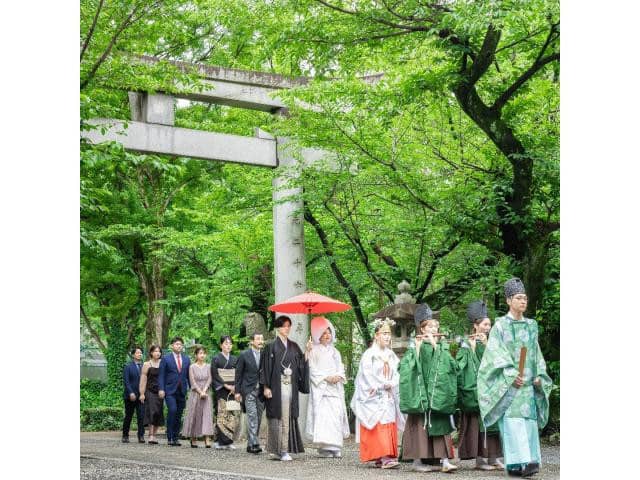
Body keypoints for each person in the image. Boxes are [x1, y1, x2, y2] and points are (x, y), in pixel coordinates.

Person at [477, 278, 553, 477]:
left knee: (528, 422)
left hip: (528, 383)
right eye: (519, 298)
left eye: (525, 298)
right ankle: (517, 463)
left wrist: (538, 375)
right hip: (510, 384)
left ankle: (530, 461)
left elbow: (535, 352)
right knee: (513, 423)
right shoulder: (500, 326)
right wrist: (511, 374)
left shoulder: (531, 325)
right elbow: (495, 353)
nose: (523, 301)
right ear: (509, 300)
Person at [399, 305, 458, 473]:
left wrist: (436, 347)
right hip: (421, 394)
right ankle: (417, 461)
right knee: (419, 425)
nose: (434, 329)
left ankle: (444, 461)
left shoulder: (442, 346)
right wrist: (417, 350)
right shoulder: (414, 347)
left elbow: (452, 366)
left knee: (440, 423)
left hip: (436, 394)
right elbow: (405, 369)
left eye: (435, 326)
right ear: (422, 328)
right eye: (430, 326)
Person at [351, 317, 405, 469]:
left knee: (388, 422)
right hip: (375, 395)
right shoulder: (369, 354)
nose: (387, 336)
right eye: (383, 333)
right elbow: (366, 376)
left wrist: (392, 383)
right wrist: (381, 385)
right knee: (379, 422)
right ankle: (383, 456)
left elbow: (397, 373)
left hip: (389, 393)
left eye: (388, 333)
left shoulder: (391, 355)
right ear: (376, 335)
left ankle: (384, 456)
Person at [456, 301, 504, 470]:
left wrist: (486, 344)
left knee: (493, 424)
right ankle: (479, 460)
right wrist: (475, 348)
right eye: (484, 324)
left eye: (489, 324)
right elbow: (462, 366)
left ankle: (494, 457)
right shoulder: (466, 344)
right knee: (478, 426)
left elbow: (496, 362)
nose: (487, 327)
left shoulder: (492, 341)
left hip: (491, 389)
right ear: (475, 326)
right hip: (475, 390)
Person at [259, 315, 311, 461]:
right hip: (276, 386)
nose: (286, 328)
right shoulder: (270, 346)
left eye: (288, 326)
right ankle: (279, 450)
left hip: (290, 386)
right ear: (277, 328)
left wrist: (307, 351)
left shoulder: (294, 346)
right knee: (277, 417)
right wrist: (266, 387)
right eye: (283, 326)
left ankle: (283, 449)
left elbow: (301, 364)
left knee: (287, 417)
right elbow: (265, 368)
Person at [305, 316, 350, 458]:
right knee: (324, 418)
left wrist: (338, 376)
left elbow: (341, 368)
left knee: (336, 416)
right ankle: (325, 447)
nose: (327, 335)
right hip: (322, 389)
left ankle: (335, 446)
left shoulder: (335, 352)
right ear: (318, 335)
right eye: (323, 333)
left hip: (334, 388)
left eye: (328, 332)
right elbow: (312, 368)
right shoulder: (314, 350)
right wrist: (326, 377)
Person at [234, 332, 266, 454]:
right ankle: (255, 443)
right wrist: (237, 392)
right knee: (252, 417)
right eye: (258, 339)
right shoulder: (244, 355)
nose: (260, 341)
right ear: (252, 341)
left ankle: (250, 443)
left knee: (258, 417)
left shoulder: (265, 355)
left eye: (262, 339)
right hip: (248, 390)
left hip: (261, 391)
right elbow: (238, 374)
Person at [158, 336, 191, 446]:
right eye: (177, 344)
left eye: (180, 344)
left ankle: (176, 437)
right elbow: (161, 375)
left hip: (182, 390)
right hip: (169, 390)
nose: (179, 346)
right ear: (172, 346)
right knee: (172, 410)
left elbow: (188, 376)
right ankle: (170, 437)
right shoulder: (166, 358)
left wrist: (191, 389)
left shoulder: (186, 359)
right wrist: (161, 389)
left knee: (178, 413)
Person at [181, 346, 215, 448]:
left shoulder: (209, 366)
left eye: (204, 353)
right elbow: (192, 382)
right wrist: (200, 392)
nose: (202, 355)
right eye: (200, 353)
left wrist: (204, 390)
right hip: (195, 394)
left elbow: (210, 379)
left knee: (207, 415)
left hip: (206, 393)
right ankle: (193, 438)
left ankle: (207, 438)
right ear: (196, 355)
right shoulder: (192, 367)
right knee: (195, 415)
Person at [211, 335, 240, 449]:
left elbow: (238, 374)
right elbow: (215, 374)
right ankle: (220, 441)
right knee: (222, 414)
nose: (228, 346)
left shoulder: (234, 359)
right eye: (226, 343)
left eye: (230, 343)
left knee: (231, 414)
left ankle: (229, 441)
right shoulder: (216, 358)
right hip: (221, 389)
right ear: (221, 345)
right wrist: (225, 385)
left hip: (232, 389)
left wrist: (235, 387)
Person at [139, 344, 165, 445]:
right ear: (151, 353)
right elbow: (143, 379)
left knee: (158, 413)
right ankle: (150, 435)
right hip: (149, 391)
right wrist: (141, 393)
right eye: (155, 351)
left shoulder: (163, 363)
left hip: (160, 391)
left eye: (159, 351)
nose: (157, 353)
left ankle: (154, 434)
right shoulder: (147, 364)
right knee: (151, 412)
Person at [122, 347, 145, 444]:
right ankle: (125, 435)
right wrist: (131, 392)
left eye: (141, 353)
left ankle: (141, 436)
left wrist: (143, 394)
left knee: (141, 416)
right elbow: (126, 381)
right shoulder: (128, 366)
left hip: (141, 396)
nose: (140, 354)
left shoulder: (144, 366)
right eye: (138, 352)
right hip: (130, 396)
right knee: (129, 416)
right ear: (133, 354)